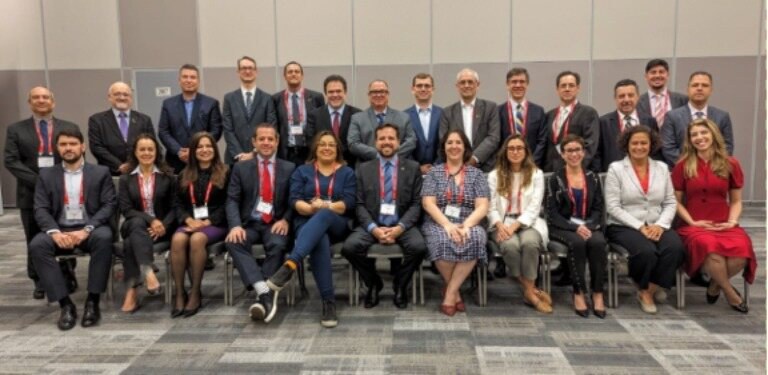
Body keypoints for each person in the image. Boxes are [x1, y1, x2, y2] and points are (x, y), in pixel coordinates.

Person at [29, 128, 116, 330]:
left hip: (90, 229)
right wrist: (55, 232)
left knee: (104, 238)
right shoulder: (46, 174)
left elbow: (109, 205)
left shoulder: (100, 172)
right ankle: (65, 304)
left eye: (73, 144)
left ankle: (92, 301)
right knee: (37, 245)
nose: (68, 148)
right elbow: (40, 208)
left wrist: (87, 229)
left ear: (82, 146)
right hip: (59, 229)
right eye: (63, 144)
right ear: (57, 148)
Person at [267, 131, 356, 328]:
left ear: (337, 149)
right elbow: (295, 200)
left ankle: (291, 264)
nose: (326, 148)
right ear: (315, 148)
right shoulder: (302, 171)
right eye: (322, 144)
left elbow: (348, 203)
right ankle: (328, 301)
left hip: (337, 224)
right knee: (319, 239)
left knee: (324, 215)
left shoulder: (347, 172)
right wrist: (310, 208)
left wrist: (323, 207)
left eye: (331, 145)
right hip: (306, 223)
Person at [672, 119, 756, 313]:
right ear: (690, 140)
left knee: (741, 252)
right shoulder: (683, 165)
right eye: (694, 135)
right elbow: (675, 201)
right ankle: (730, 293)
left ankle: (715, 285)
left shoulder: (731, 164)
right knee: (711, 250)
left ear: (713, 135)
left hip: (724, 222)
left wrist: (732, 222)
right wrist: (692, 221)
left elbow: (736, 201)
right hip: (694, 223)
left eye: (704, 133)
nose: (700, 138)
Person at [4, 86, 81, 299]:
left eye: (45, 97)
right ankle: (39, 280)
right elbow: (11, 160)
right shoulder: (16, 129)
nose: (41, 100)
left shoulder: (68, 127)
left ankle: (67, 273)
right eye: (36, 98)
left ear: (53, 102)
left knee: (65, 231)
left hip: (64, 193)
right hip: (30, 193)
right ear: (30, 102)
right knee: (34, 236)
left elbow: (74, 156)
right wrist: (40, 182)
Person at [342, 124, 427, 309]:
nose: (386, 142)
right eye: (382, 138)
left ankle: (400, 285)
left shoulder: (413, 168)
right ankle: (373, 284)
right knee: (349, 248)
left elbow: (416, 204)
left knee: (419, 247)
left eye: (391, 138)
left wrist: (399, 228)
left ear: (398, 142)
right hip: (372, 223)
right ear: (375, 143)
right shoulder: (363, 169)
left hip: (402, 224)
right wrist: (374, 229)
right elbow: (359, 204)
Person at [604, 126, 686, 314]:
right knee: (646, 251)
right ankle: (648, 291)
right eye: (635, 143)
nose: (639, 147)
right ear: (627, 145)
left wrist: (660, 225)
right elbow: (613, 207)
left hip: (657, 223)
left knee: (675, 248)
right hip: (624, 225)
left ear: (651, 145)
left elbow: (670, 202)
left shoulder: (662, 168)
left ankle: (649, 288)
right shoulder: (616, 169)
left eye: (644, 143)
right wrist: (640, 226)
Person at [225, 124, 294, 323]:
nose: (266, 143)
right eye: (261, 139)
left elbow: (294, 199)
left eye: (270, 139)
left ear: (277, 142)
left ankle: (260, 292)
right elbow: (232, 199)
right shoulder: (240, 167)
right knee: (234, 242)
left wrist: (286, 219)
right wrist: (236, 225)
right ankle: (264, 291)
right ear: (253, 142)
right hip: (250, 223)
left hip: (275, 223)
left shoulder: (289, 168)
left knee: (278, 244)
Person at [421, 129, 489, 316]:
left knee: (475, 237)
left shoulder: (477, 174)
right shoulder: (434, 173)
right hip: (438, 221)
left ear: (465, 147)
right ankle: (455, 292)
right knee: (440, 240)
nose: (454, 146)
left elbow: (483, 206)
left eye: (458, 142)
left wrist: (466, 225)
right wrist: (448, 225)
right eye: (449, 142)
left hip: (470, 220)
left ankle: (450, 291)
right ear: (444, 147)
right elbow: (428, 203)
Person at [546, 135, 607, 318]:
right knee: (577, 244)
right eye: (569, 151)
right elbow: (552, 213)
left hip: (589, 225)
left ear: (584, 153)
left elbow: (598, 208)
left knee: (598, 243)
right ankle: (579, 292)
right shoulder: (555, 179)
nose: (574, 154)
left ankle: (597, 293)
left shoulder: (593, 178)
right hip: (563, 227)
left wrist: (589, 225)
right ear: (562, 155)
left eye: (577, 150)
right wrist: (575, 227)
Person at [487, 135, 551, 313]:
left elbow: (534, 206)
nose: (515, 152)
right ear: (505, 152)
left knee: (530, 243)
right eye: (511, 148)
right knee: (510, 246)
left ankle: (528, 291)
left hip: (529, 222)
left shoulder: (537, 174)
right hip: (501, 222)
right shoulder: (494, 175)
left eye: (519, 148)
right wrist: (500, 225)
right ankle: (531, 291)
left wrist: (514, 226)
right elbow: (490, 206)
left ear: (526, 152)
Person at [169, 132, 229, 318]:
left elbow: (229, 203)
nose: (205, 150)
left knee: (197, 239)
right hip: (191, 221)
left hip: (216, 222)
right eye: (200, 147)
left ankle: (195, 292)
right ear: (193, 151)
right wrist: (188, 220)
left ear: (215, 149)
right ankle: (180, 292)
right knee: (178, 239)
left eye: (208, 146)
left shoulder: (226, 172)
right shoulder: (183, 174)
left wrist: (207, 222)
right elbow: (177, 204)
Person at [118, 134, 177, 313]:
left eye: (150, 149)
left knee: (130, 244)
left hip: (162, 229)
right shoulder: (126, 178)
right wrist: (152, 220)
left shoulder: (168, 176)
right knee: (136, 222)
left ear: (156, 152)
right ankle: (147, 271)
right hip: (136, 224)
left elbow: (175, 208)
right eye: (142, 149)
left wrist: (163, 225)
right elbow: (127, 210)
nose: (146, 153)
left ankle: (132, 292)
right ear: (135, 152)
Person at [158, 64, 223, 173]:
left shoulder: (211, 103)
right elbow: (163, 131)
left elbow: (216, 131)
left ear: (198, 81)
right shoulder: (168, 104)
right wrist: (178, 151)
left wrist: (195, 150)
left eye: (193, 77)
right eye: (185, 77)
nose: (189, 80)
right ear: (179, 80)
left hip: (203, 160)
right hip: (175, 161)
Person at [661, 71, 734, 167]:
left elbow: (727, 147)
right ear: (688, 89)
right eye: (695, 85)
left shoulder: (722, 116)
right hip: (683, 173)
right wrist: (694, 167)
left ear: (711, 90)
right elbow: (668, 149)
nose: (699, 88)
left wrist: (709, 167)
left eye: (705, 85)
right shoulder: (672, 116)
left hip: (714, 172)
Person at [438, 68, 500, 172]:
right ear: (457, 86)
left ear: (477, 84)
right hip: (456, 169)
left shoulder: (491, 108)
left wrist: (474, 158)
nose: (466, 85)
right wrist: (459, 160)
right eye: (462, 82)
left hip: (486, 169)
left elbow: (493, 138)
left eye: (470, 82)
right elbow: (443, 139)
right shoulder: (447, 112)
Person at [88, 81, 155, 176]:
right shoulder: (97, 120)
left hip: (139, 172)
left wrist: (133, 165)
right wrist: (119, 165)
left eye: (126, 94)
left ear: (131, 98)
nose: (122, 97)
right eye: (117, 94)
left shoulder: (144, 120)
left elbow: (152, 145)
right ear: (109, 97)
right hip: (109, 173)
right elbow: (97, 147)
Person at [594, 79, 660, 172]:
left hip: (643, 175)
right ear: (615, 98)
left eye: (630, 95)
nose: (626, 99)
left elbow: (655, 151)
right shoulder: (603, 122)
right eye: (621, 96)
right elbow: (597, 154)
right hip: (613, 176)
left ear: (637, 97)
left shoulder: (649, 121)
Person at [221, 56, 277, 164]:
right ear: (238, 72)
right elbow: (228, 129)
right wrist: (239, 154)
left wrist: (254, 153)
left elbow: (271, 128)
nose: (247, 71)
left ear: (256, 72)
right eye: (243, 68)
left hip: (261, 157)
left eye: (251, 68)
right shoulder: (229, 98)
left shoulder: (267, 98)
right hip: (235, 159)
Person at [540, 71, 599, 172]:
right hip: (549, 172)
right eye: (563, 86)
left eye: (571, 85)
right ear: (557, 89)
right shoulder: (549, 115)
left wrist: (576, 169)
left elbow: (590, 145)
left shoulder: (589, 113)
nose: (567, 89)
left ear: (578, 88)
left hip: (575, 171)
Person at [348, 79, 416, 164]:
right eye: (374, 92)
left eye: (382, 91)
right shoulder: (357, 118)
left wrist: (392, 155)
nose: (379, 94)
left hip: (399, 169)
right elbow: (353, 144)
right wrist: (378, 155)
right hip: (367, 169)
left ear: (388, 94)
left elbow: (411, 141)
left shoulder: (404, 117)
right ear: (369, 95)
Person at [273, 61, 325, 166]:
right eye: (290, 72)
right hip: (285, 152)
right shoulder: (276, 99)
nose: (293, 74)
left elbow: (321, 126)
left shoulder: (316, 97)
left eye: (297, 71)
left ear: (302, 76)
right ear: (285, 76)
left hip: (309, 152)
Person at [306, 74, 361, 166]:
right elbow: (311, 142)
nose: (335, 95)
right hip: (322, 166)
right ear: (326, 93)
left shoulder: (357, 114)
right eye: (331, 92)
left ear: (345, 92)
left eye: (338, 91)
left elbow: (358, 142)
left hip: (350, 166)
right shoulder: (314, 115)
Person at [498, 68, 548, 169]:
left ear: (527, 84)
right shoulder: (498, 112)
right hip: (505, 168)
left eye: (522, 82)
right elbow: (496, 142)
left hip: (532, 168)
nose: (518, 85)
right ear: (507, 85)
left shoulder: (538, 111)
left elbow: (542, 141)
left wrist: (531, 164)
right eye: (514, 82)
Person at [404, 73, 443, 175]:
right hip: (411, 173)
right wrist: (417, 167)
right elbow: (402, 145)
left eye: (427, 86)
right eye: (419, 86)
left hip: (440, 172)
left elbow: (446, 142)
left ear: (433, 89)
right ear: (412, 89)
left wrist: (436, 166)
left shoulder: (443, 114)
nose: (423, 89)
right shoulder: (404, 116)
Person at [637, 59, 688, 125]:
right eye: (653, 72)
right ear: (646, 76)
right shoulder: (638, 102)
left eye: (661, 72)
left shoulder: (682, 100)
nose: (657, 76)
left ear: (668, 75)